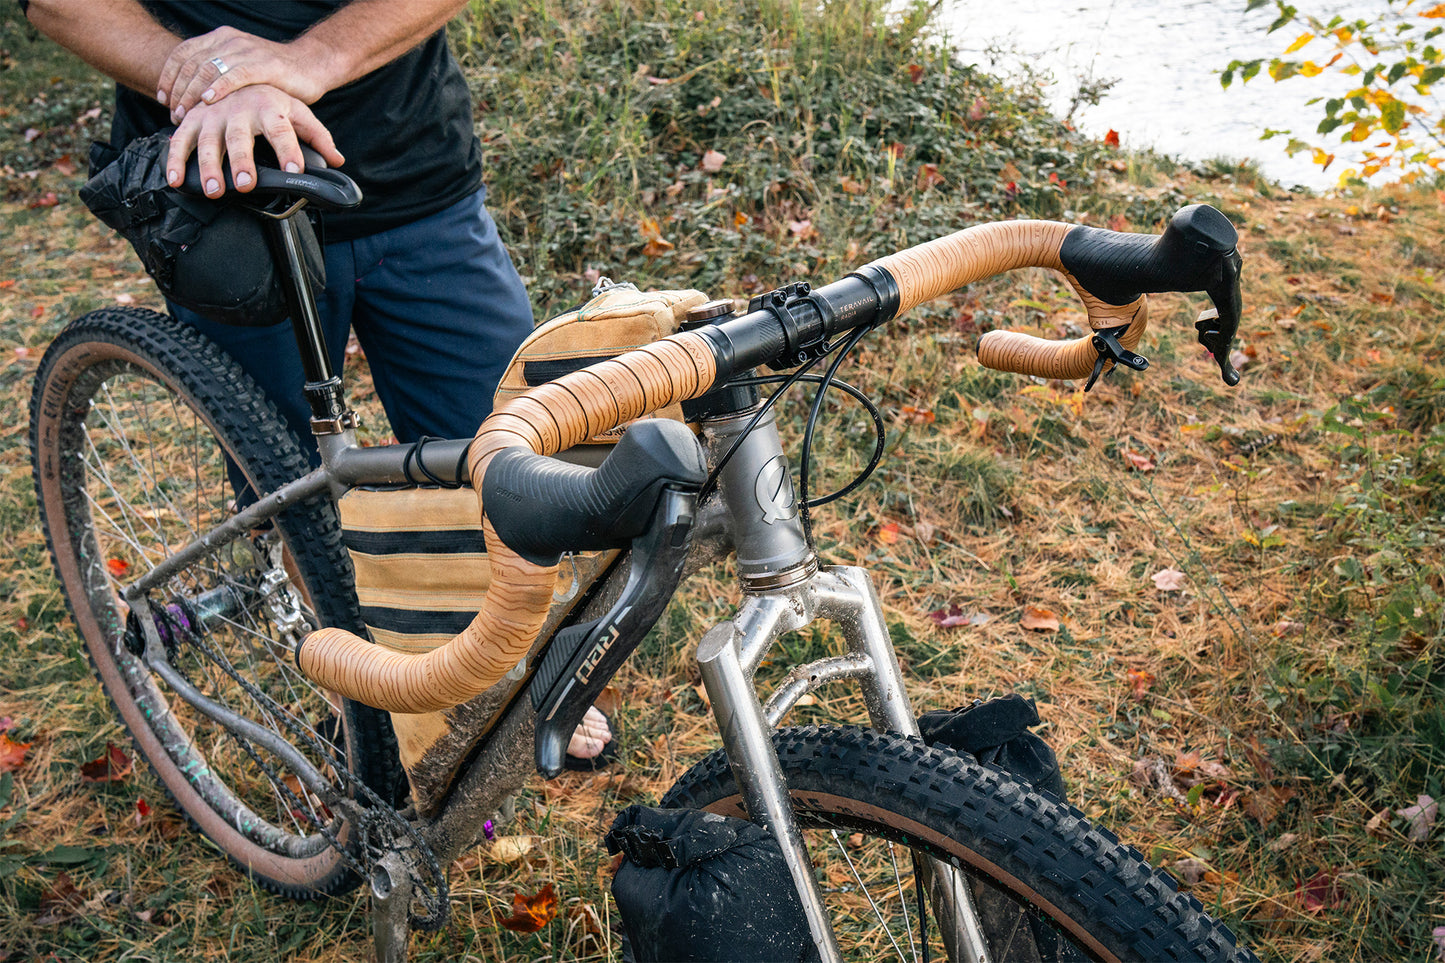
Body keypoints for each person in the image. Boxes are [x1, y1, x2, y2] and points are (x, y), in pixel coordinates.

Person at [22, 0, 613, 764]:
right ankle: (361, 688)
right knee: (288, 482)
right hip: (223, 201)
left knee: (508, 443)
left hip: (412, 170)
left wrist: (308, 62)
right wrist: (221, 85)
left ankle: (524, 663)